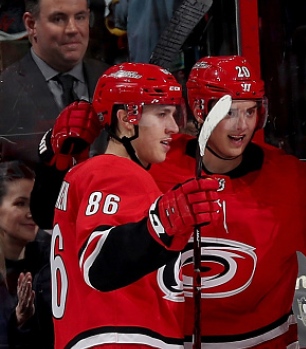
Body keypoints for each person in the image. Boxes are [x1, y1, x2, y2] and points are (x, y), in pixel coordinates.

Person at [148, 55, 306, 348]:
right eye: (229, 112)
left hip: (270, 340)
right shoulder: (157, 166)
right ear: (198, 110)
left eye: (250, 111)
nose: (242, 126)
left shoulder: (289, 177)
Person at [50, 62, 221, 348]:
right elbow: (98, 264)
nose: (174, 127)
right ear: (127, 119)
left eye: (175, 113)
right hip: (120, 340)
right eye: (162, 114)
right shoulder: (114, 171)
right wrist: (161, 225)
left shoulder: (83, 173)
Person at [0, 0, 108, 167]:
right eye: (58, 19)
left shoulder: (111, 79)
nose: (73, 29)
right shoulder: (5, 92)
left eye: (80, 17)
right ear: (31, 24)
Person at [0, 160, 52, 349]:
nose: (32, 213)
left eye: (34, 203)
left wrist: (24, 323)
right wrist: (19, 321)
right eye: (20, 203)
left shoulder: (52, 259)